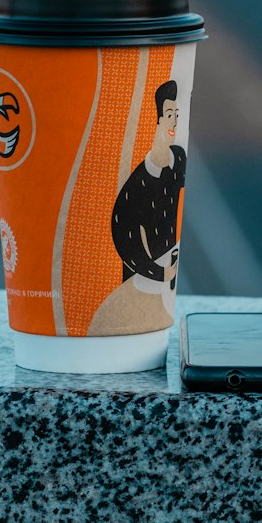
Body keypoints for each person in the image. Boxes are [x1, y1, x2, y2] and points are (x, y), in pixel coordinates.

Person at [87, 80, 186, 336]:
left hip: (165, 276)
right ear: (156, 120)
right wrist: (158, 272)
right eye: (168, 115)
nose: (174, 122)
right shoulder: (138, 183)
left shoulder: (178, 160)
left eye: (176, 115)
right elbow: (125, 235)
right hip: (142, 281)